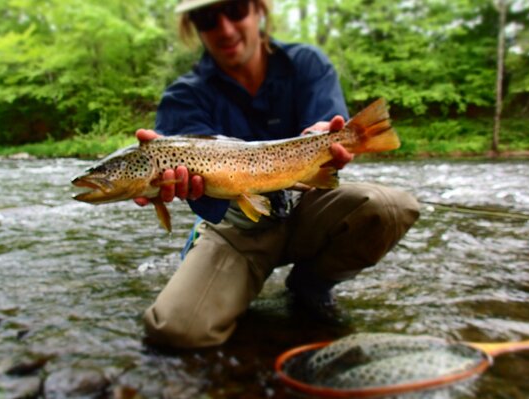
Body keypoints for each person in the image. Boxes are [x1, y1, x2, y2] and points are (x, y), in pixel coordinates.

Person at [135, 0, 420, 348]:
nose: (224, 28)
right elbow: (204, 199)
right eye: (208, 18)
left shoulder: (307, 64)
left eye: (235, 10)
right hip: (235, 225)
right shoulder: (183, 96)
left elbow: (330, 140)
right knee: (173, 331)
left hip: (308, 206)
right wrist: (179, 186)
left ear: (258, 10)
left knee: (389, 207)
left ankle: (311, 286)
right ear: (194, 26)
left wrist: (325, 141)